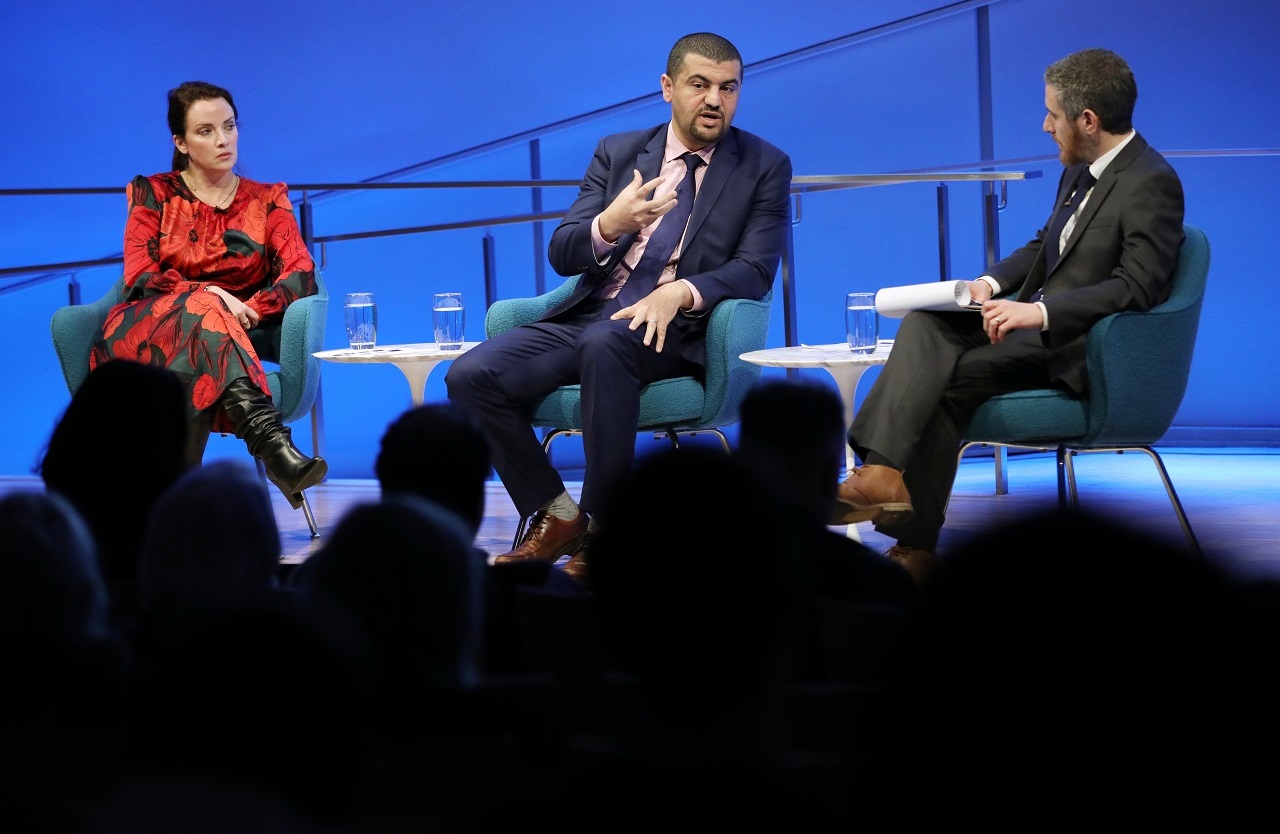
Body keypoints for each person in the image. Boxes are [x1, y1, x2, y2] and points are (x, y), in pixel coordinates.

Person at [445, 32, 792, 585]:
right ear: (667, 88)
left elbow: (756, 269)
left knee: (604, 343)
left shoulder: (764, 165)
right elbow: (563, 251)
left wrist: (680, 291)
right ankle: (558, 515)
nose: (713, 100)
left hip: (676, 329)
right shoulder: (618, 152)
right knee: (470, 375)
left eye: (728, 88)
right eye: (699, 85)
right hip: (591, 314)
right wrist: (611, 224)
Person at [830, 48, 1185, 579]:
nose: (1045, 126)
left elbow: (1138, 288)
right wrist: (988, 284)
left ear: (1088, 121)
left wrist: (1038, 314)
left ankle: (913, 546)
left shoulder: (1151, 181)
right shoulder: (1081, 169)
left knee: (944, 384)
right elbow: (1047, 244)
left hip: (1080, 346)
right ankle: (881, 472)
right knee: (927, 322)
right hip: (1033, 329)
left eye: (1053, 115)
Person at [90, 80, 326, 506]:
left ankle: (176, 507)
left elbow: (301, 274)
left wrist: (246, 309)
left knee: (202, 341)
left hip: (229, 337)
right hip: (146, 329)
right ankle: (276, 451)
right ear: (180, 142)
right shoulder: (152, 193)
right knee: (201, 307)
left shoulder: (268, 199)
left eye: (229, 126)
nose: (223, 140)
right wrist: (214, 295)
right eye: (205, 131)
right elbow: (140, 275)